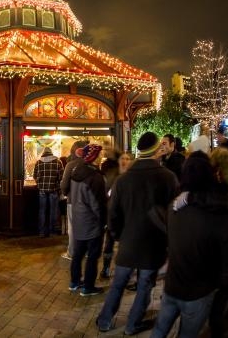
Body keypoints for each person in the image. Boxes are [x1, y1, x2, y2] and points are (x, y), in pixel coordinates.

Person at [150, 153, 228, 338]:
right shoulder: (221, 214)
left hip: (172, 285)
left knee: (159, 331)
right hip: (198, 291)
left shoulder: (175, 207)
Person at [96, 132, 178, 335]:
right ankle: (132, 324)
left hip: (129, 241)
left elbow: (112, 213)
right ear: (156, 149)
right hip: (154, 243)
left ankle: (105, 320)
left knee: (118, 284)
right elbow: (174, 212)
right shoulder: (167, 178)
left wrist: (118, 235)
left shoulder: (124, 180)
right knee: (144, 287)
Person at [63, 144, 106, 296]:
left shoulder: (76, 172)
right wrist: (103, 221)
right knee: (92, 256)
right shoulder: (95, 177)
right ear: (94, 157)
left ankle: (74, 282)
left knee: (78, 254)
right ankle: (88, 286)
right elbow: (97, 203)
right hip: (92, 222)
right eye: (100, 154)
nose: (102, 156)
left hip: (78, 218)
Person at [100, 151, 134, 278]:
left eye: (127, 159)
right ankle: (106, 267)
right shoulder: (112, 176)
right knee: (109, 242)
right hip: (113, 214)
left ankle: (126, 269)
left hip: (127, 216)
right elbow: (106, 195)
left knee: (126, 244)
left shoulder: (133, 178)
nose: (125, 161)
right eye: (122, 158)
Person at [60, 140, 88, 260]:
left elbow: (64, 185)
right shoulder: (90, 164)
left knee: (73, 228)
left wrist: (66, 193)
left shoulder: (70, 165)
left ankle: (72, 252)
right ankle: (86, 251)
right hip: (88, 201)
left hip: (73, 200)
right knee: (86, 226)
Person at [33, 147, 64, 238]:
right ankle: (52, 231)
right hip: (53, 190)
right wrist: (57, 186)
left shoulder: (38, 162)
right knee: (53, 211)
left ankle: (42, 232)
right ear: (51, 152)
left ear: (43, 153)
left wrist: (39, 184)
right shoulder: (58, 162)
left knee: (42, 211)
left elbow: (35, 175)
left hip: (42, 190)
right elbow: (61, 177)